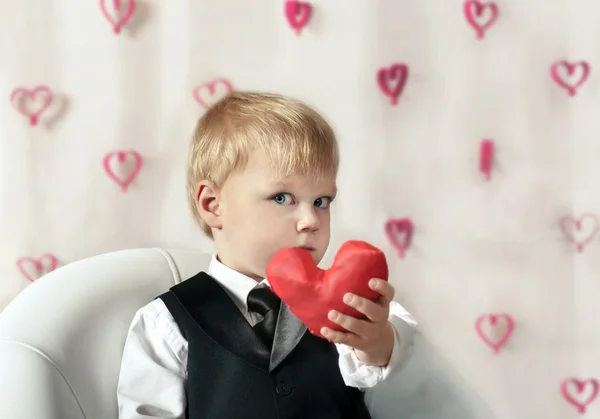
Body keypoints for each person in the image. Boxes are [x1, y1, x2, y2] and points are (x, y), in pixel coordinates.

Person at [116, 92, 417, 419]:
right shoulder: (165, 323)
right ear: (213, 205)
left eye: (321, 201)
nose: (311, 221)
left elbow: (401, 347)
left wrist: (375, 341)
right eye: (283, 197)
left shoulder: (344, 302)